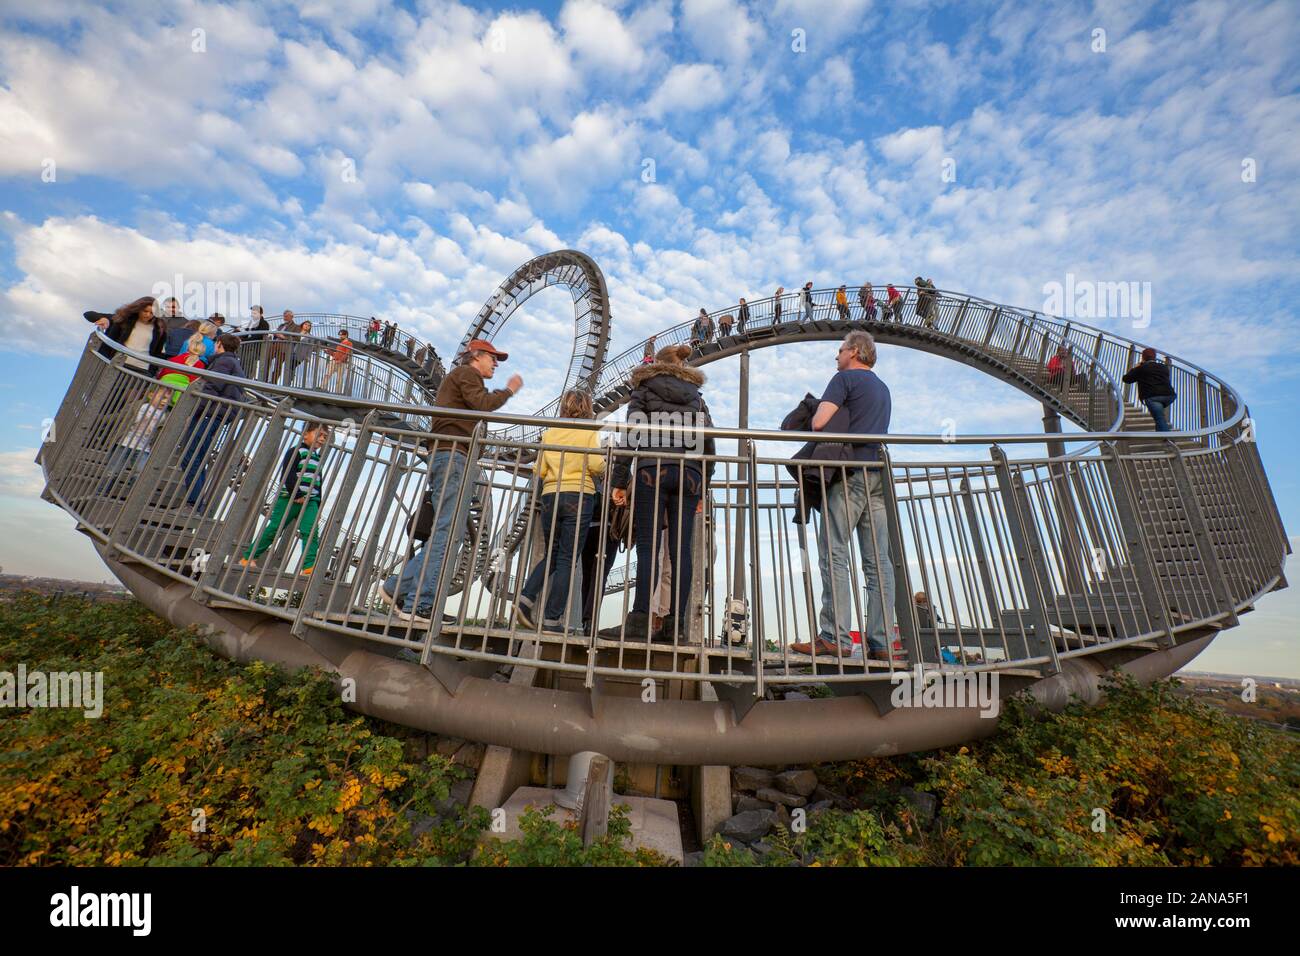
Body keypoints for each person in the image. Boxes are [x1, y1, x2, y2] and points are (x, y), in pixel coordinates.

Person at [381, 339, 522, 622]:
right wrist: (509, 390)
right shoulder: (466, 374)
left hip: (450, 457)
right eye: (493, 358)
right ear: (477, 356)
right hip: (453, 457)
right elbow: (483, 404)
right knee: (447, 534)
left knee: (450, 534)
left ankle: (397, 587)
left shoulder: (460, 378)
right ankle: (418, 605)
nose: (495, 364)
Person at [792, 331, 896, 661]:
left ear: (853, 351)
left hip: (849, 474)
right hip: (876, 474)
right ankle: (880, 643)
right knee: (878, 562)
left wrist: (811, 412)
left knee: (834, 551)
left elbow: (821, 422)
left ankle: (834, 637)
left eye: (839, 351)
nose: (836, 357)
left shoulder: (843, 379)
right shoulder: (883, 388)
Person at [608, 344, 715, 643]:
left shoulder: (643, 387)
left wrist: (619, 478)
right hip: (690, 473)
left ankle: (640, 620)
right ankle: (675, 626)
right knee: (681, 551)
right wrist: (704, 483)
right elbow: (709, 440)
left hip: (652, 469)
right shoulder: (696, 396)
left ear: (657, 362)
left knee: (648, 548)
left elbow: (631, 433)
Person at [515, 390, 605, 633]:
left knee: (552, 554)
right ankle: (552, 619)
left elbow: (540, 470)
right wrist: (606, 463)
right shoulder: (589, 432)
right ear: (587, 408)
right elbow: (596, 466)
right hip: (579, 495)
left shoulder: (550, 432)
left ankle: (525, 599)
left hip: (550, 497)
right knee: (567, 558)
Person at [240, 423, 331, 575]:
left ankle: (308, 567)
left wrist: (318, 504)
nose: (322, 439)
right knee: (275, 528)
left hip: (311, 501)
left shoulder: (317, 458)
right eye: (319, 434)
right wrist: (296, 494)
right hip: (289, 498)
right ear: (305, 434)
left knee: (311, 532)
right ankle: (249, 558)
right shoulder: (296, 451)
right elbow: (287, 475)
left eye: (325, 437)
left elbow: (318, 483)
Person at [179, 334, 247, 508]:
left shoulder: (224, 362)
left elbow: (212, 387)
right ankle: (196, 503)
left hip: (209, 413)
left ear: (219, 344)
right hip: (217, 414)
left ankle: (194, 502)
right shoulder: (233, 363)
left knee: (191, 455)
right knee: (198, 456)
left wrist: (195, 409)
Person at [99, 386, 169, 495]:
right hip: (124, 443)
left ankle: (134, 495)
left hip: (143, 448)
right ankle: (101, 492)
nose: (165, 401)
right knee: (113, 470)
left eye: (168, 400)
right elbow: (119, 416)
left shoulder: (165, 416)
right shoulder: (138, 406)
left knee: (141, 473)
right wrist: (100, 420)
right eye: (163, 397)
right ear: (151, 395)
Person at [1122, 347, 1177, 432]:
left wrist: (1135, 368)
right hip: (1169, 396)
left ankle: (1166, 439)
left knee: (1159, 418)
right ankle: (1163, 434)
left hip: (1153, 397)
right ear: (1154, 357)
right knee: (1159, 416)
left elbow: (1126, 379)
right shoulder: (1163, 367)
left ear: (1143, 358)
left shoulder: (1141, 368)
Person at [157, 333, 207, 405]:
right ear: (202, 352)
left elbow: (162, 373)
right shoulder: (200, 364)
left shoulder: (174, 359)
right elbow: (194, 382)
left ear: (188, 348)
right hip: (180, 397)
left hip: (164, 390)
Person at [291, 320, 315, 386]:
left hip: (300, 354)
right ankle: (289, 379)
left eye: (309, 325)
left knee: (292, 367)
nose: (307, 326)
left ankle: (289, 380)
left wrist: (308, 356)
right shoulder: (296, 333)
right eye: (306, 324)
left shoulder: (310, 336)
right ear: (302, 325)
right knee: (288, 367)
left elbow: (310, 347)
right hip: (291, 352)